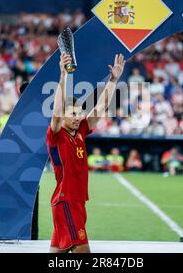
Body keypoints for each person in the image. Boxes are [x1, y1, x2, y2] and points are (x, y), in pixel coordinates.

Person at [47, 52, 125, 253]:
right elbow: (56, 113)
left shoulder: (81, 130)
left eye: (80, 112)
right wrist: (63, 76)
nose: (78, 116)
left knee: (58, 252)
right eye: (72, 113)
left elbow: (100, 106)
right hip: (67, 201)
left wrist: (113, 80)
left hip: (77, 201)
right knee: (83, 250)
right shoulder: (56, 136)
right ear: (63, 116)